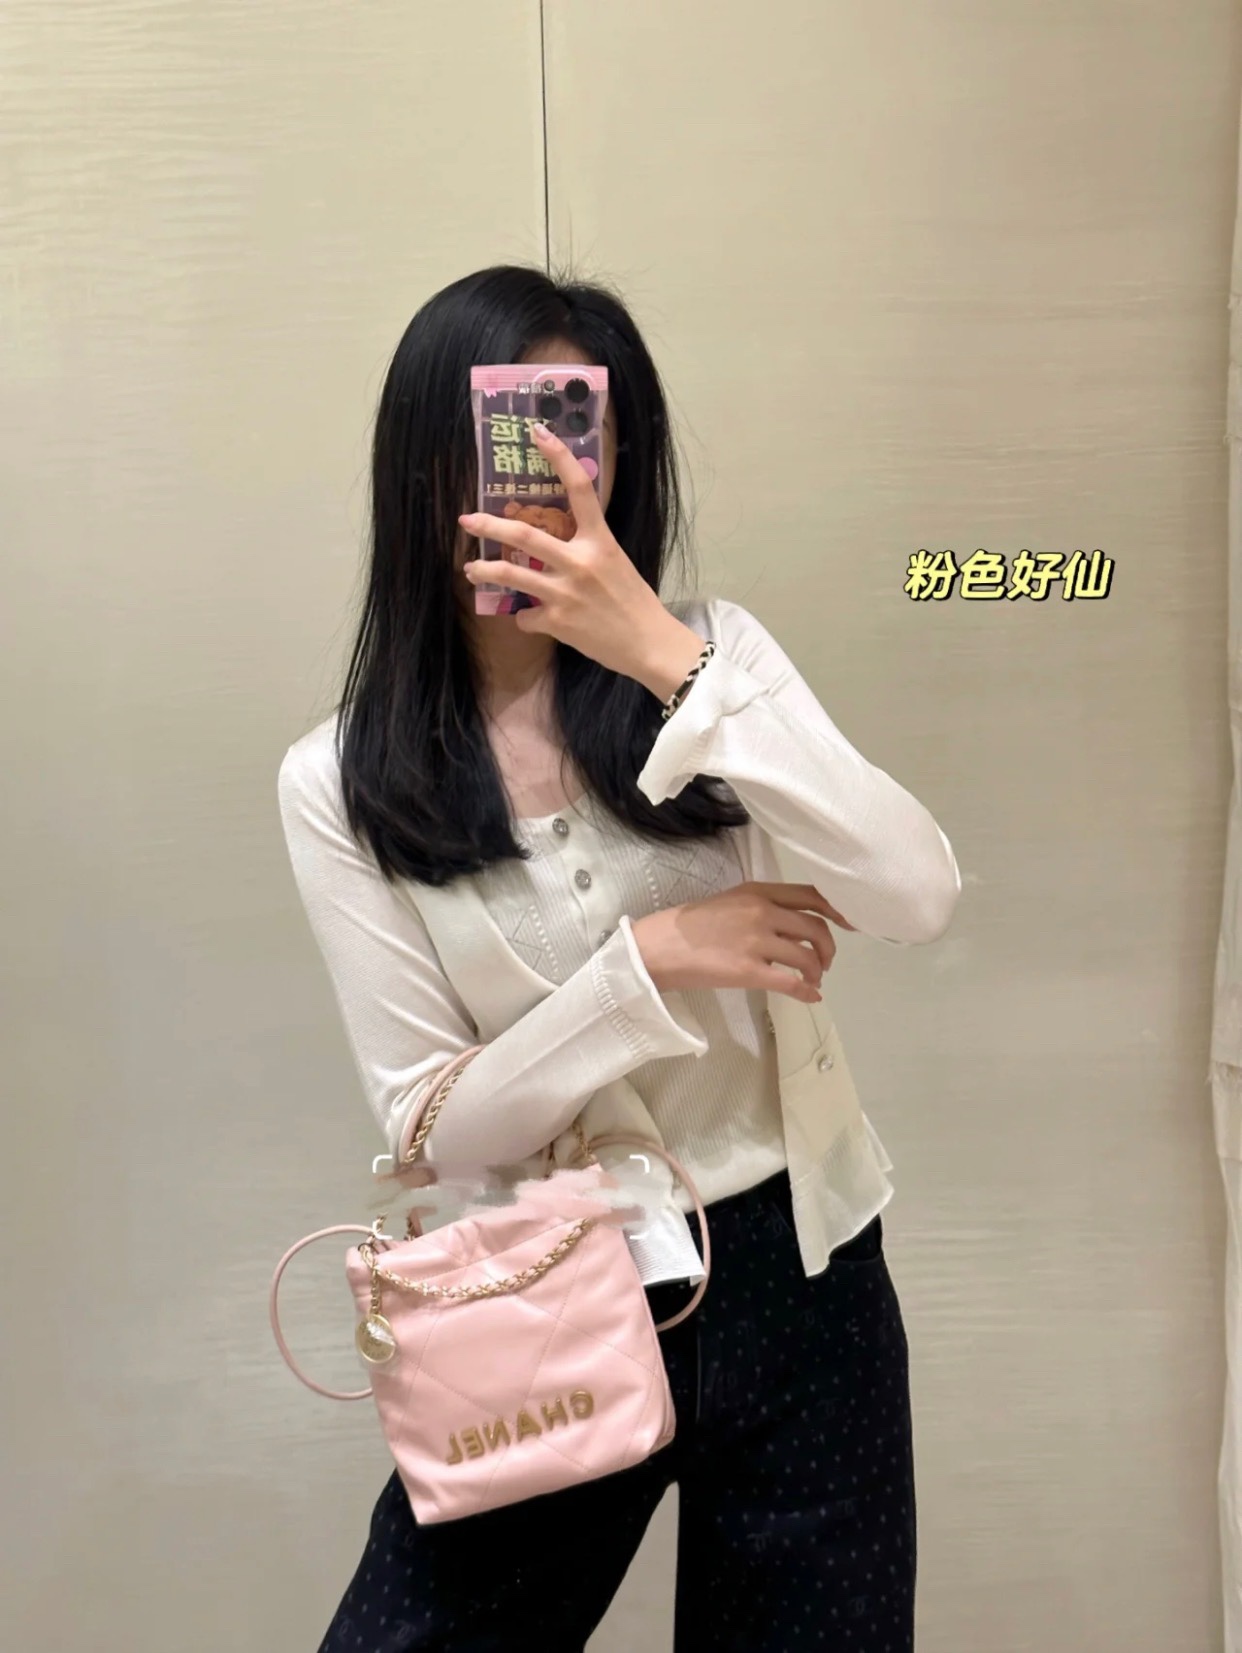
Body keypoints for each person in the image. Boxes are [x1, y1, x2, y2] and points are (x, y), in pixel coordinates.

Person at [277, 264, 960, 1652]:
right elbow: (431, 1121)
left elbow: (915, 892)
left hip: (804, 1269)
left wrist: (665, 657)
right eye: (498, 438)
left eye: (573, 434)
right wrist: (647, 964)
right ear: (423, 467)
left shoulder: (715, 660)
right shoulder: (339, 780)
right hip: (544, 1284)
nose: (538, 482)